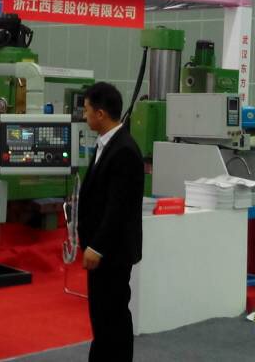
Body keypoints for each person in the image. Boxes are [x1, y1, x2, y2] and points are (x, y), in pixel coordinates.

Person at [77, 82, 144, 362]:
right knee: (102, 317)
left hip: (112, 253)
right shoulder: (106, 144)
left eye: (86, 110)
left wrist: (98, 247)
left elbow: (118, 208)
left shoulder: (124, 150)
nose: (84, 116)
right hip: (102, 251)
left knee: (113, 316)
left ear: (101, 114)